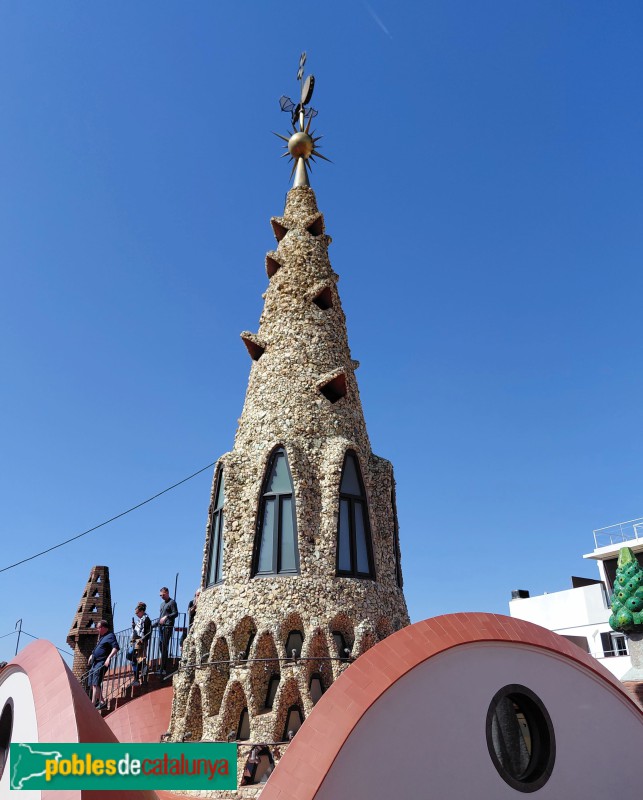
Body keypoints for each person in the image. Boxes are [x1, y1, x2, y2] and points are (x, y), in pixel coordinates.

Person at [87, 620, 119, 710]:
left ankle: (92, 704)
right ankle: (102, 702)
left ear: (104, 627)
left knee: (95, 683)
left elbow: (116, 647)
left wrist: (109, 658)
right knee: (92, 682)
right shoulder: (102, 637)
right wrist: (91, 655)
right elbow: (98, 648)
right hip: (95, 662)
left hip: (102, 662)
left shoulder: (110, 636)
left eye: (98, 628)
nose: (97, 629)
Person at [155, 586, 178, 675]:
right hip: (160, 627)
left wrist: (167, 617)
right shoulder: (162, 604)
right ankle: (162, 666)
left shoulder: (172, 602)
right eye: (160, 595)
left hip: (167, 627)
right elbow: (161, 616)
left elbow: (175, 613)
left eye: (163, 595)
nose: (162, 597)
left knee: (164, 646)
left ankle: (163, 668)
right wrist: (155, 624)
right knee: (161, 646)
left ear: (167, 593)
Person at [130, 602, 152, 686]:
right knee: (134, 659)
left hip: (142, 642)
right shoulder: (140, 620)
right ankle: (137, 678)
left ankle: (142, 679)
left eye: (137, 613)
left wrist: (143, 639)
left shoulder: (146, 619)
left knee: (141, 660)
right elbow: (137, 631)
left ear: (141, 611)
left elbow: (148, 632)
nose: (136, 615)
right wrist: (134, 626)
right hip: (136, 641)